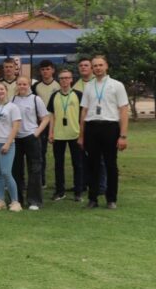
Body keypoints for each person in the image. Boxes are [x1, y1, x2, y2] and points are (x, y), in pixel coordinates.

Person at [79, 55, 129, 209]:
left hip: (110, 127)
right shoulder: (88, 86)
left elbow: (123, 110)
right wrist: (81, 135)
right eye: (95, 66)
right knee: (92, 164)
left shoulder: (117, 85)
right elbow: (84, 111)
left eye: (100, 65)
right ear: (92, 68)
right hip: (92, 127)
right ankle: (93, 198)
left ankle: (111, 199)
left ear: (106, 66)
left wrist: (123, 135)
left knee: (110, 164)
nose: (98, 68)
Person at [12, 78, 51, 210]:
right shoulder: (12, 100)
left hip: (31, 137)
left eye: (24, 84)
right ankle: (17, 199)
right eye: (19, 84)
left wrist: (37, 132)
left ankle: (34, 201)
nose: (22, 86)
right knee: (16, 169)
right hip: (16, 139)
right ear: (16, 85)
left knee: (34, 169)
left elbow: (46, 117)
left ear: (29, 85)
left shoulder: (35, 99)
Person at [0, 81, 24, 212]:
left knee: (6, 172)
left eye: (1, 89)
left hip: (6, 143)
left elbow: (16, 127)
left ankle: (15, 202)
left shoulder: (13, 107)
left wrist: (8, 143)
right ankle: (1, 200)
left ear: (6, 90)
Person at [48, 69, 83, 201]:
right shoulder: (54, 95)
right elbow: (51, 115)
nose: (64, 81)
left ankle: (78, 192)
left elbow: (83, 116)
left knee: (78, 164)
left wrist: (82, 134)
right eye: (61, 78)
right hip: (58, 135)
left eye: (67, 78)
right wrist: (51, 132)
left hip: (75, 134)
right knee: (58, 164)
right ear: (59, 80)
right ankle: (60, 191)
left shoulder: (79, 95)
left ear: (71, 79)